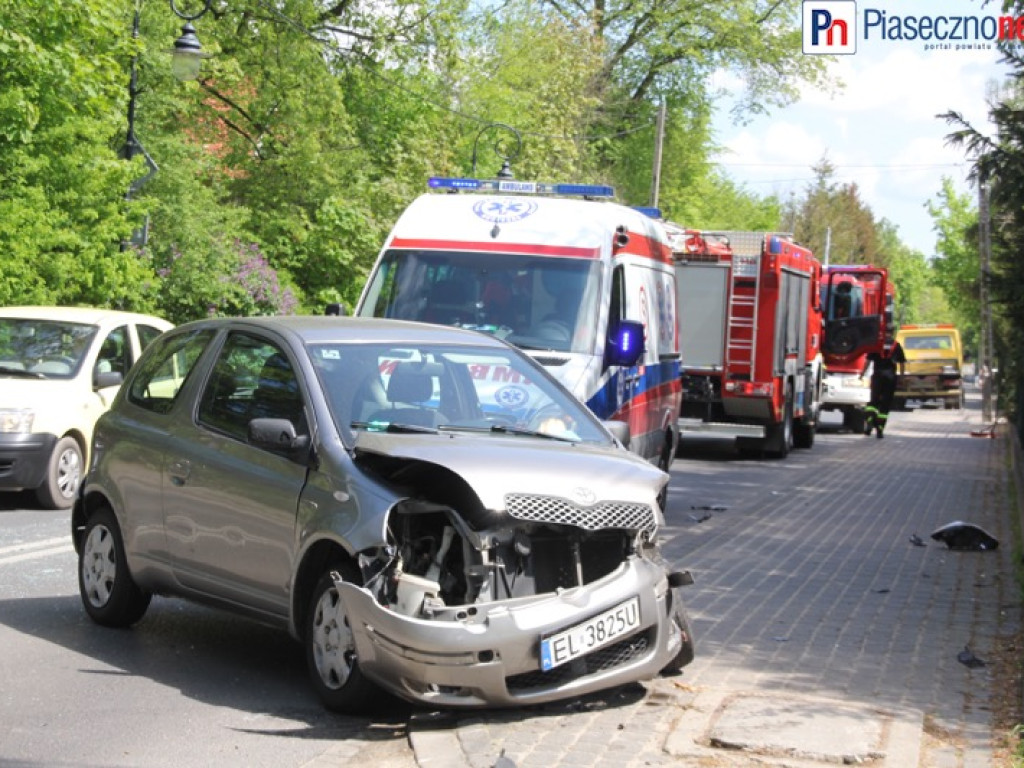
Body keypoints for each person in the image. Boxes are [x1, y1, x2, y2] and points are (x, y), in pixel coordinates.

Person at [860, 340, 907, 438]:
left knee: (873, 401)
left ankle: (869, 420)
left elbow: (868, 361)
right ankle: (880, 429)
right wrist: (902, 378)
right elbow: (902, 363)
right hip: (890, 378)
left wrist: (862, 374)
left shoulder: (876, 344)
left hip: (877, 376)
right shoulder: (896, 346)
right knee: (886, 403)